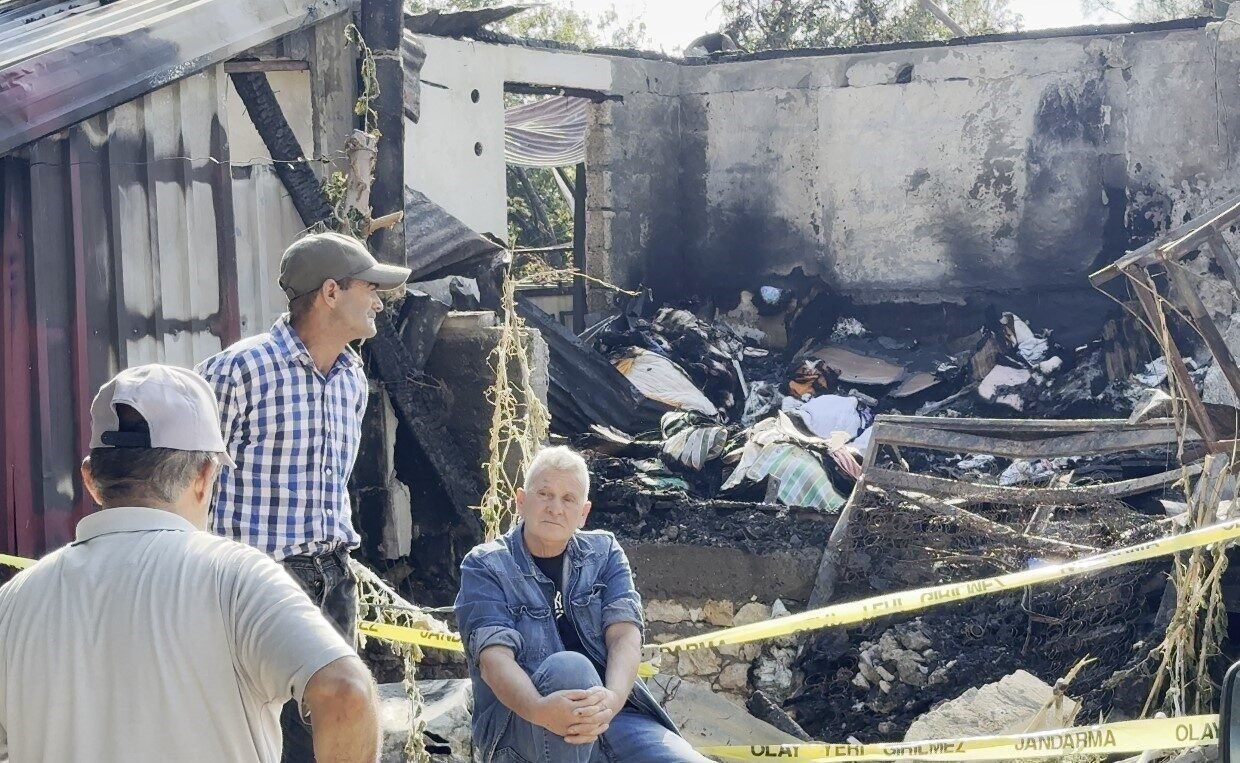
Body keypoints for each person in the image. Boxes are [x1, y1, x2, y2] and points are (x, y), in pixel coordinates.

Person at [0, 365, 380, 762]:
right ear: (203, 475)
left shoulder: (13, 603)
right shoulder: (236, 579)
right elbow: (345, 692)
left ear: (91, 479)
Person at [196, 231, 410, 761]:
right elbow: (188, 479)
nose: (379, 300)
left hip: (334, 577)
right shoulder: (237, 371)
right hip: (256, 579)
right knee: (250, 734)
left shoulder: (352, 378)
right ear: (331, 292)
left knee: (334, 729)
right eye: (369, 287)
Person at [455, 446, 713, 763]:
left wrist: (613, 700)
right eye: (544, 494)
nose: (555, 508)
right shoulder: (486, 565)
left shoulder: (604, 552)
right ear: (521, 501)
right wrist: (540, 709)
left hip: (611, 716)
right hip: (526, 722)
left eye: (568, 499)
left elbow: (624, 635)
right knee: (570, 669)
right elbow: (494, 659)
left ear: (583, 513)